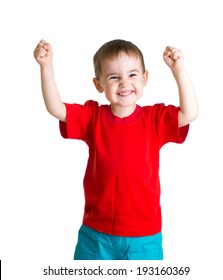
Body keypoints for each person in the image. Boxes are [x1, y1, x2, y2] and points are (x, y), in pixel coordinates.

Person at [34, 39, 198, 260]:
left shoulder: (155, 119)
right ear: (99, 84)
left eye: (132, 75)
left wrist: (178, 70)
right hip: (96, 235)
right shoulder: (93, 117)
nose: (124, 83)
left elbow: (190, 113)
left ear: (144, 78)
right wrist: (46, 66)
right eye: (113, 77)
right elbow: (56, 108)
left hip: (144, 236)